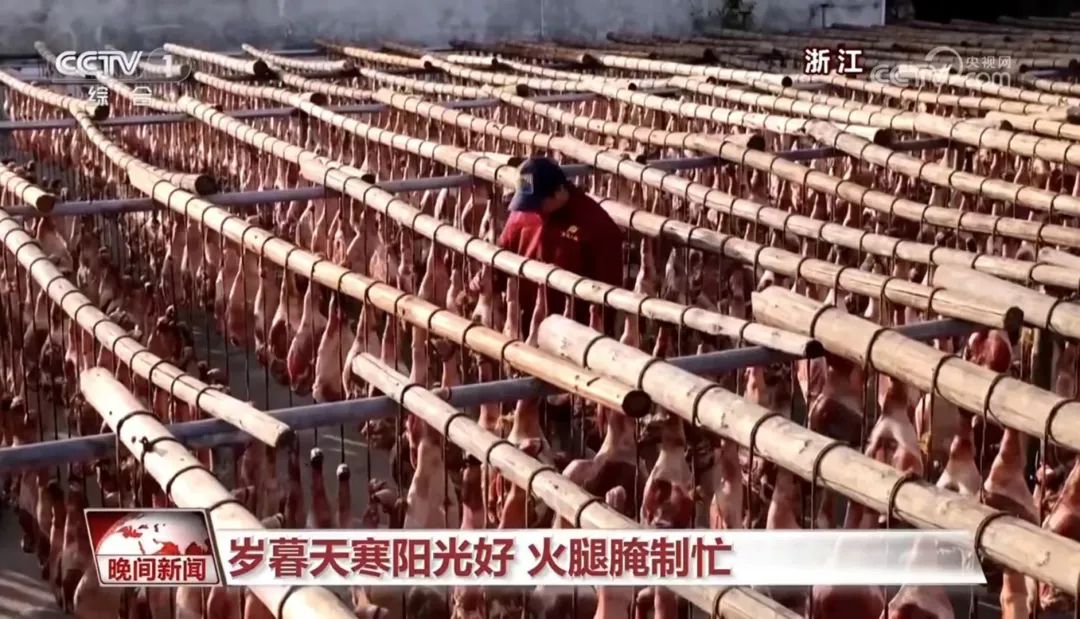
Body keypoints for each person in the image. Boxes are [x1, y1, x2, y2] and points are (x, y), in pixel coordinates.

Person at [496, 156, 624, 336]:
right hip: (522, 324)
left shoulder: (597, 227)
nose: (532, 209)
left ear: (558, 192)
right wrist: (488, 278)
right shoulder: (523, 212)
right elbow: (504, 250)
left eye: (537, 202)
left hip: (569, 332)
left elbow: (607, 292)